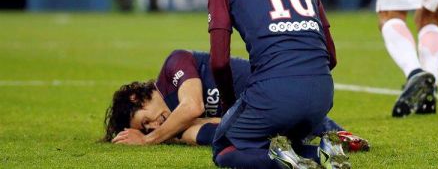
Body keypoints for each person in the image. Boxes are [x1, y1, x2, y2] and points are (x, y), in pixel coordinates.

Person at [208, 0, 341, 169]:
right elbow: (331, 56)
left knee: (224, 147)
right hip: (322, 96)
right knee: (279, 136)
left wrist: (231, 104)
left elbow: (220, 62)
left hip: (274, 95)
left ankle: (283, 164)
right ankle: (323, 151)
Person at [104, 50, 369, 153]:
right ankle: (323, 141)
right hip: (272, 109)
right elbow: (226, 122)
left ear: (136, 98)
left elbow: (193, 106)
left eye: (145, 121)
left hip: (279, 89)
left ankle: (329, 132)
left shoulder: (174, 66)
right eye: (148, 129)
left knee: (186, 130)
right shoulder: (176, 121)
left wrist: (150, 140)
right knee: (187, 132)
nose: (153, 126)